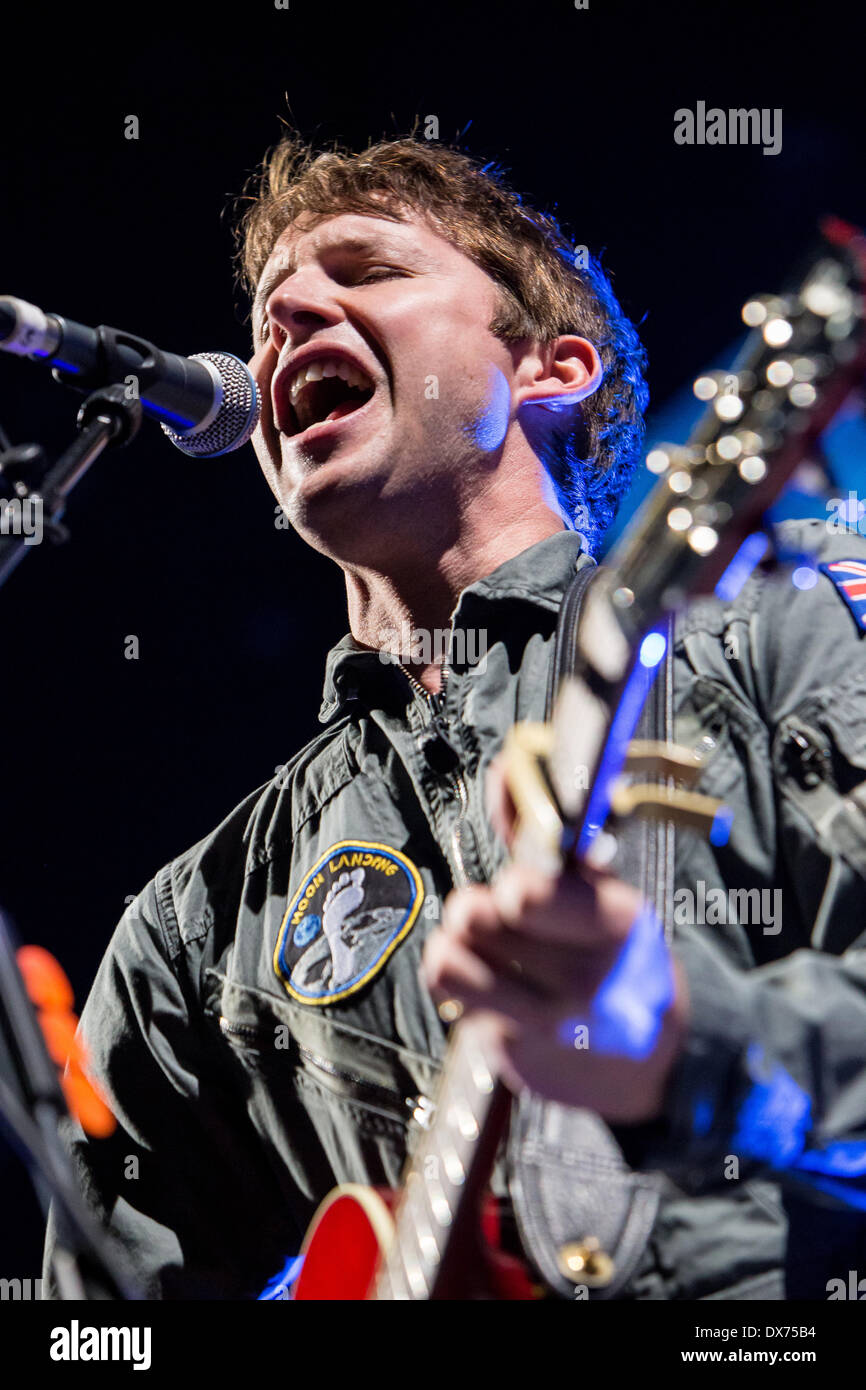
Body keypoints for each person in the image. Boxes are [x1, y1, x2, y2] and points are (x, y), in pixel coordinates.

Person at [44, 135, 866, 1300]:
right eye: (269, 315)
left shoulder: (764, 639)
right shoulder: (193, 925)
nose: (286, 318)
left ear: (550, 367)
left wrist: (687, 1044)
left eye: (368, 271)